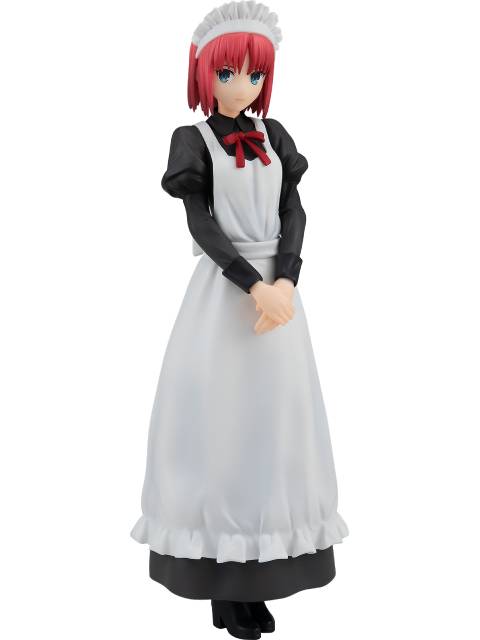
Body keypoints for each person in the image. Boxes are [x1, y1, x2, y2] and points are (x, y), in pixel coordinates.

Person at [131, 2, 348, 637]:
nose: (243, 86)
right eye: (229, 74)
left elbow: (294, 211)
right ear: (205, 74)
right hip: (226, 296)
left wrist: (286, 280)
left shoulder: (275, 135)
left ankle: (264, 573)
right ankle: (221, 586)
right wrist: (253, 284)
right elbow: (200, 223)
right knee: (219, 428)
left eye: (255, 75)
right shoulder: (192, 141)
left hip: (279, 300)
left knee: (276, 428)